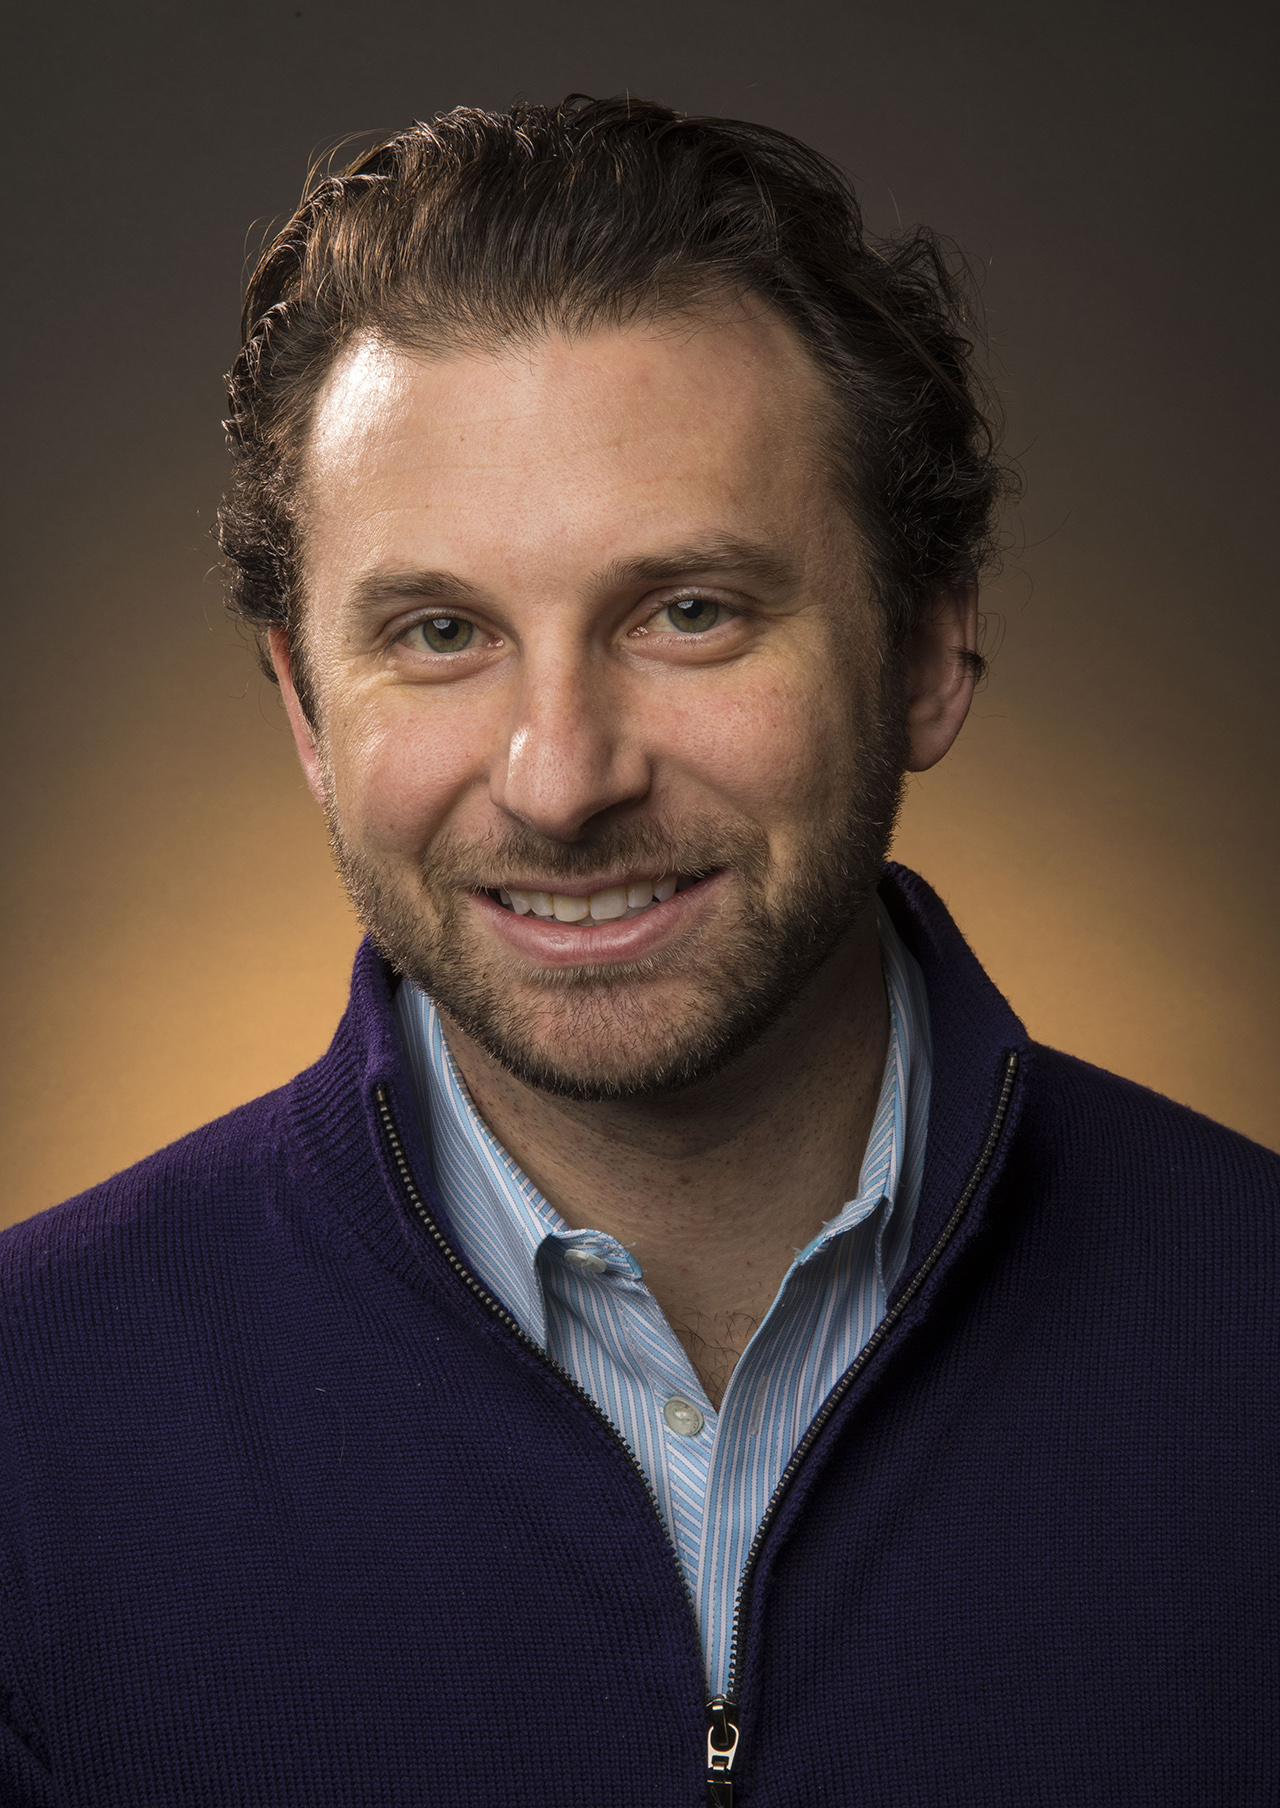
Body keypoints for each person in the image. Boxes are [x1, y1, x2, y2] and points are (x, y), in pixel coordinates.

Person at [0, 95, 1275, 1808]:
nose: (561, 777)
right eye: (440, 634)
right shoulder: (30, 1427)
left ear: (929, 645)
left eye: (687, 613)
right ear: (305, 710)